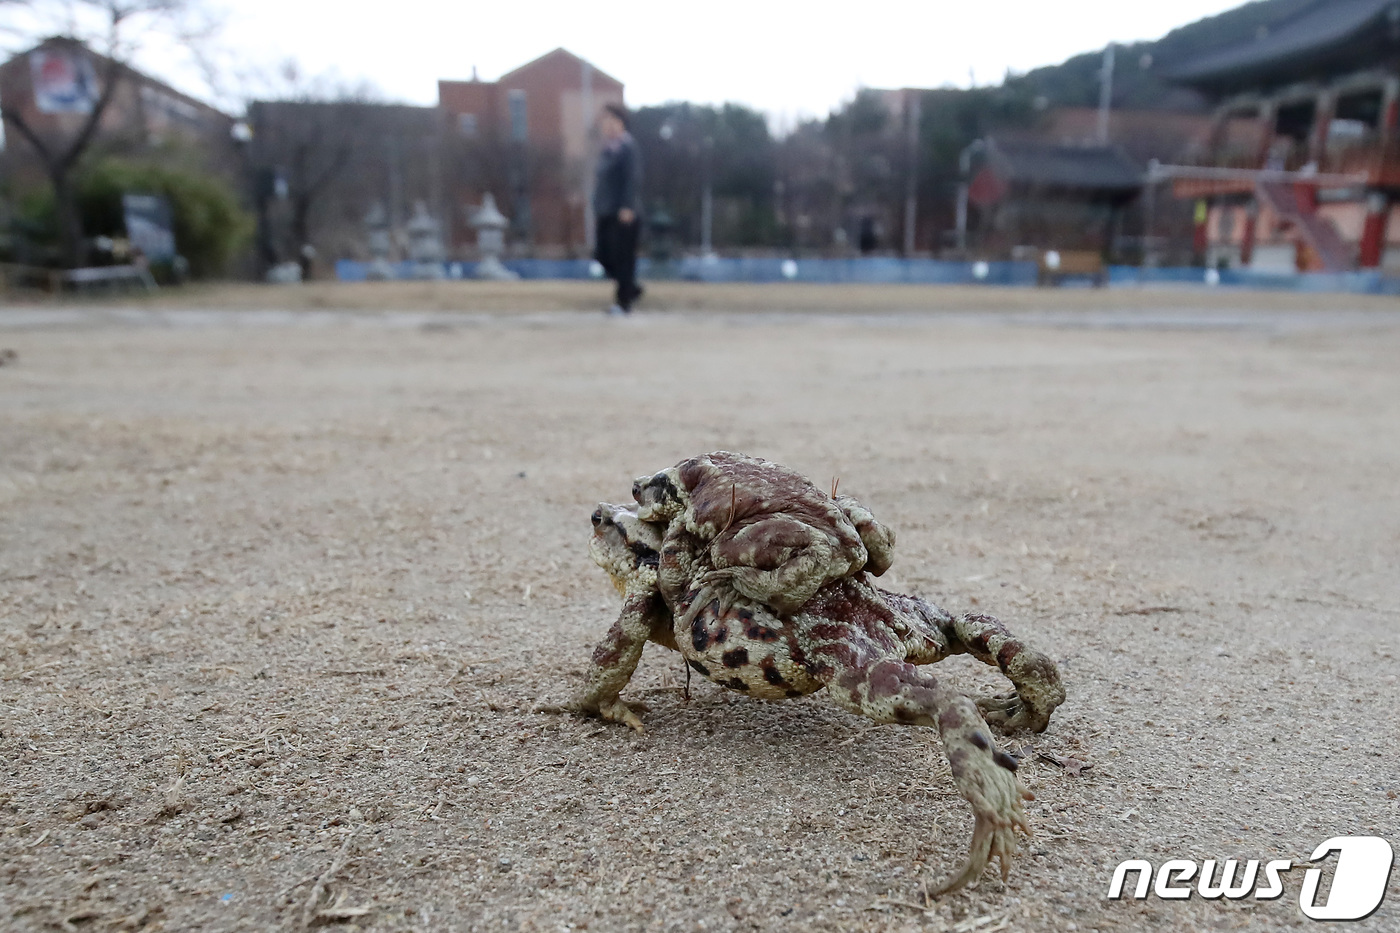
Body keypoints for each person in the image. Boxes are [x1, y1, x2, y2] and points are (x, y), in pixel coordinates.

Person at [593, 104, 643, 314]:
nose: (609, 126)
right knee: (603, 255)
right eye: (606, 122)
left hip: (623, 211)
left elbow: (632, 179)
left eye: (613, 121)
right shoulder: (607, 149)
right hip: (605, 211)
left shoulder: (627, 148)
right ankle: (631, 288)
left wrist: (627, 206)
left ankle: (624, 302)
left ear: (622, 124)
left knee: (623, 257)